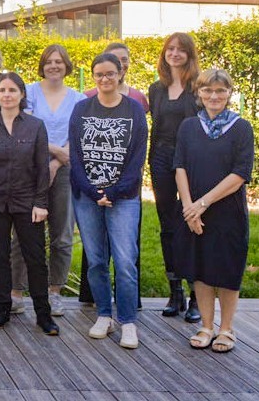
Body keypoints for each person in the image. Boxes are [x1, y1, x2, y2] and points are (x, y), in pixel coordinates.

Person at [69, 52, 148, 349]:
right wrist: (92, 192)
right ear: (93, 77)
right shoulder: (81, 109)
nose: (105, 79)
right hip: (87, 197)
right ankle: (104, 313)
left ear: (120, 74)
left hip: (123, 198)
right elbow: (75, 156)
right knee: (97, 260)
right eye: (99, 74)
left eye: (110, 74)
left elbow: (137, 158)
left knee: (126, 262)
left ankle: (128, 321)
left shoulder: (134, 110)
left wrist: (112, 193)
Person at [174, 69, 254, 353]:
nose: (214, 96)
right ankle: (206, 326)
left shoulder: (242, 128)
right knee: (201, 269)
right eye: (208, 90)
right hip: (194, 212)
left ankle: (226, 329)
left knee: (228, 270)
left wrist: (202, 204)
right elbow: (180, 166)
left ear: (229, 93)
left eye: (220, 90)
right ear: (199, 93)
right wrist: (188, 208)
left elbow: (240, 174)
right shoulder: (188, 127)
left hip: (227, 213)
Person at [0, 73, 58, 335]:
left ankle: (43, 315)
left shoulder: (35, 126)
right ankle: (2, 309)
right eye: (2, 90)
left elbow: (42, 169)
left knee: (35, 259)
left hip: (27, 202)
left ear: (22, 95)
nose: (7, 95)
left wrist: (41, 203)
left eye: (12, 90)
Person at [12, 44, 85, 318]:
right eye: (49, 61)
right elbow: (25, 129)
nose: (53, 65)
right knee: (23, 233)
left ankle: (55, 292)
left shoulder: (78, 99)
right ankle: (16, 293)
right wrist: (54, 152)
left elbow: (77, 135)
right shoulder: (29, 92)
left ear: (66, 65)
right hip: (29, 169)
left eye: (59, 61)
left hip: (65, 171)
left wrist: (55, 163)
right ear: (42, 65)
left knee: (62, 235)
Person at [147, 32, 201, 322]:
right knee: (168, 225)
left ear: (190, 54)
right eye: (171, 49)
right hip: (161, 159)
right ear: (165, 54)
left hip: (191, 162)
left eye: (181, 50)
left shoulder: (198, 86)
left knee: (191, 223)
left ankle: (196, 295)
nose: (175, 54)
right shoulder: (156, 88)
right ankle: (174, 291)